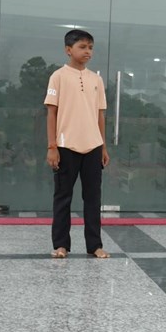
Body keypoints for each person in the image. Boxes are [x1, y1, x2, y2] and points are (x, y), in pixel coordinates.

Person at [44, 29, 110, 259]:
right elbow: (51, 113)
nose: (87, 51)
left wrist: (103, 146)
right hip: (65, 147)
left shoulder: (96, 79)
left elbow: (100, 115)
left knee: (93, 199)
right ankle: (61, 245)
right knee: (63, 198)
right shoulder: (58, 77)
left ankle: (95, 245)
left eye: (90, 47)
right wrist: (52, 147)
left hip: (93, 147)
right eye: (82, 47)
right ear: (68, 49)